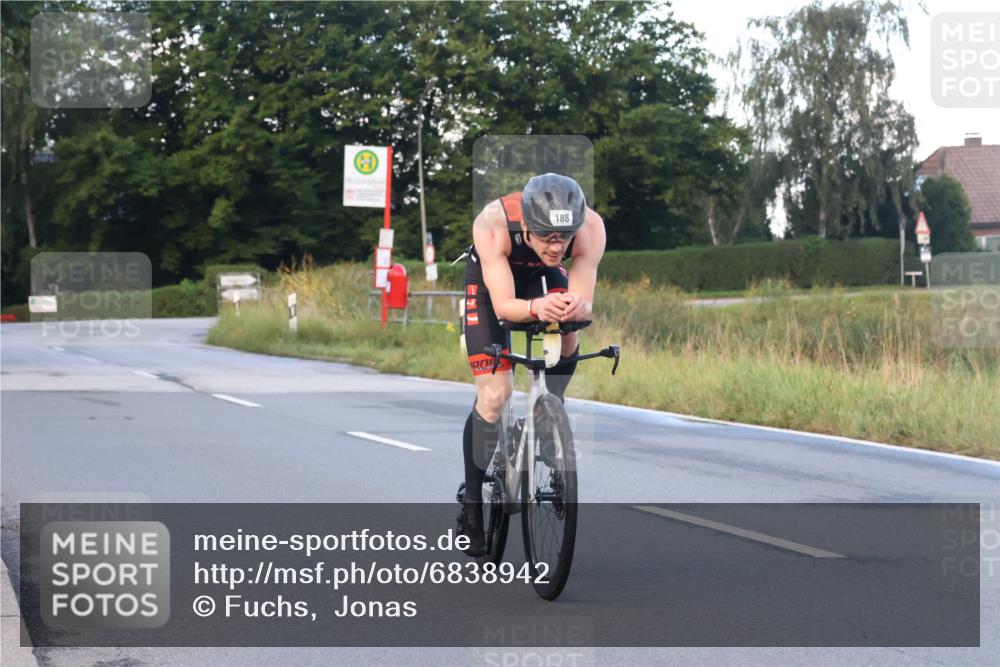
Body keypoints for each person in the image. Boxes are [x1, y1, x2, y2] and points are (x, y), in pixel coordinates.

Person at [457, 173, 606, 556]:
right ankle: (472, 503)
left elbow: (584, 299)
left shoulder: (589, 228)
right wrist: (536, 308)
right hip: (492, 288)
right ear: (525, 224)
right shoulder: (493, 224)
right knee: (496, 394)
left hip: (541, 278)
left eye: (564, 238)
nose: (557, 247)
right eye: (547, 237)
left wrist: (576, 307)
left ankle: (550, 410)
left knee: (569, 327)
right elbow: (505, 306)